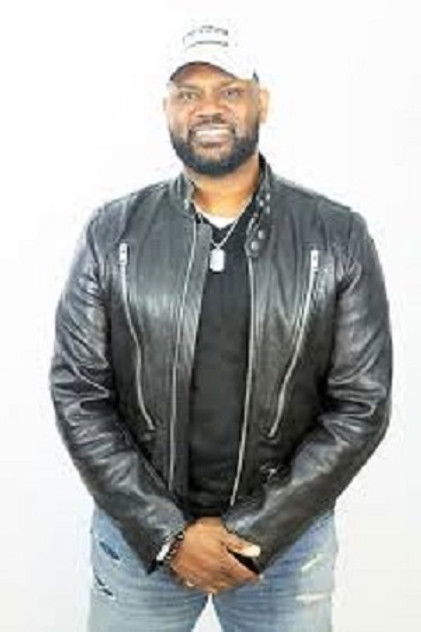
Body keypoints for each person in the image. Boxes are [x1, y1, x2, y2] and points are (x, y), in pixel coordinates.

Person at [49, 22, 393, 632]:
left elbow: (361, 405)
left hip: (284, 550)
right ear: (168, 110)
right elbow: (79, 394)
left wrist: (253, 530)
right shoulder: (112, 233)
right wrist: (168, 534)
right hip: (139, 542)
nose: (208, 107)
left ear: (262, 102)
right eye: (189, 93)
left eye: (229, 90)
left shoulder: (337, 237)